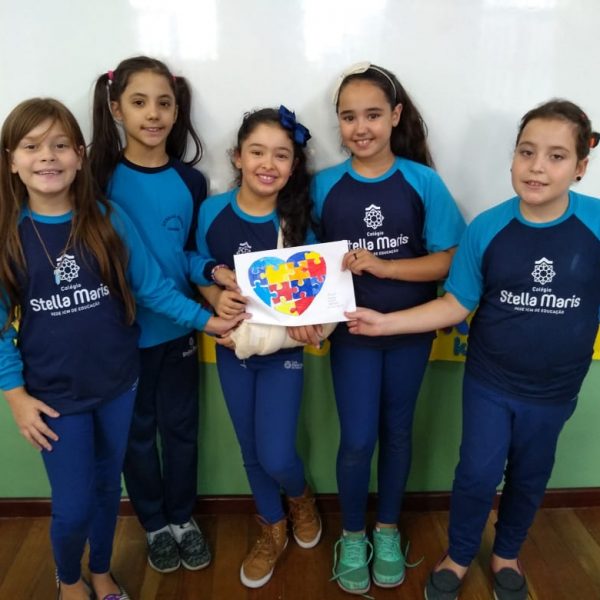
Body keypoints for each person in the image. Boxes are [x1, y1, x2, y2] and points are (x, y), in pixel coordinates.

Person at [345, 99, 600, 600]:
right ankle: (460, 554)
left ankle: (507, 554)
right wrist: (384, 323)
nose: (537, 167)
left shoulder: (595, 225)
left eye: (556, 156)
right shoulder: (487, 228)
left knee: (530, 476)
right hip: (489, 382)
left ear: (580, 167)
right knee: (477, 474)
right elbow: (456, 304)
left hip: (555, 390)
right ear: (513, 158)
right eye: (526, 152)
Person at [0, 98, 242, 600]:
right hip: (53, 397)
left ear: (80, 155)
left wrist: (208, 321)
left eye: (60, 145)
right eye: (32, 146)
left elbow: (151, 287)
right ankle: (69, 580)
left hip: (118, 384)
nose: (47, 157)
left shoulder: (107, 218)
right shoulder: (9, 234)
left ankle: (102, 571)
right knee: (73, 505)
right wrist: (15, 395)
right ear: (12, 161)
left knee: (110, 488)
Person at [309, 62, 465, 595]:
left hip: (409, 333)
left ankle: (388, 530)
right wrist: (311, 321)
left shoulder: (423, 181)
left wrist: (384, 267)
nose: (361, 128)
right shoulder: (323, 186)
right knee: (357, 438)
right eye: (349, 117)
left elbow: (449, 259)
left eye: (373, 114)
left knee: (397, 432)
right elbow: (307, 267)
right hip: (351, 336)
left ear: (395, 116)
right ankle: (353, 535)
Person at [89, 56, 212, 574]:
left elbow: (190, 253)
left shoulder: (191, 181)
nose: (153, 114)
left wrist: (215, 275)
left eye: (164, 103)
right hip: (121, 338)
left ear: (177, 109)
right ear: (117, 109)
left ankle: (182, 518)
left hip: (180, 329)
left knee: (181, 430)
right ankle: (155, 525)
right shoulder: (95, 179)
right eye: (139, 102)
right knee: (135, 436)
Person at [193, 106, 322, 589]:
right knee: (251, 449)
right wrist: (213, 290)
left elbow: (317, 287)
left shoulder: (297, 220)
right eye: (257, 152)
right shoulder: (213, 211)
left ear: (294, 165)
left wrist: (312, 323)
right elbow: (193, 259)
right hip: (233, 349)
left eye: (281, 155)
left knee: (278, 454)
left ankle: (301, 498)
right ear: (237, 157)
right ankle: (272, 526)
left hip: (283, 353)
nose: (268, 164)